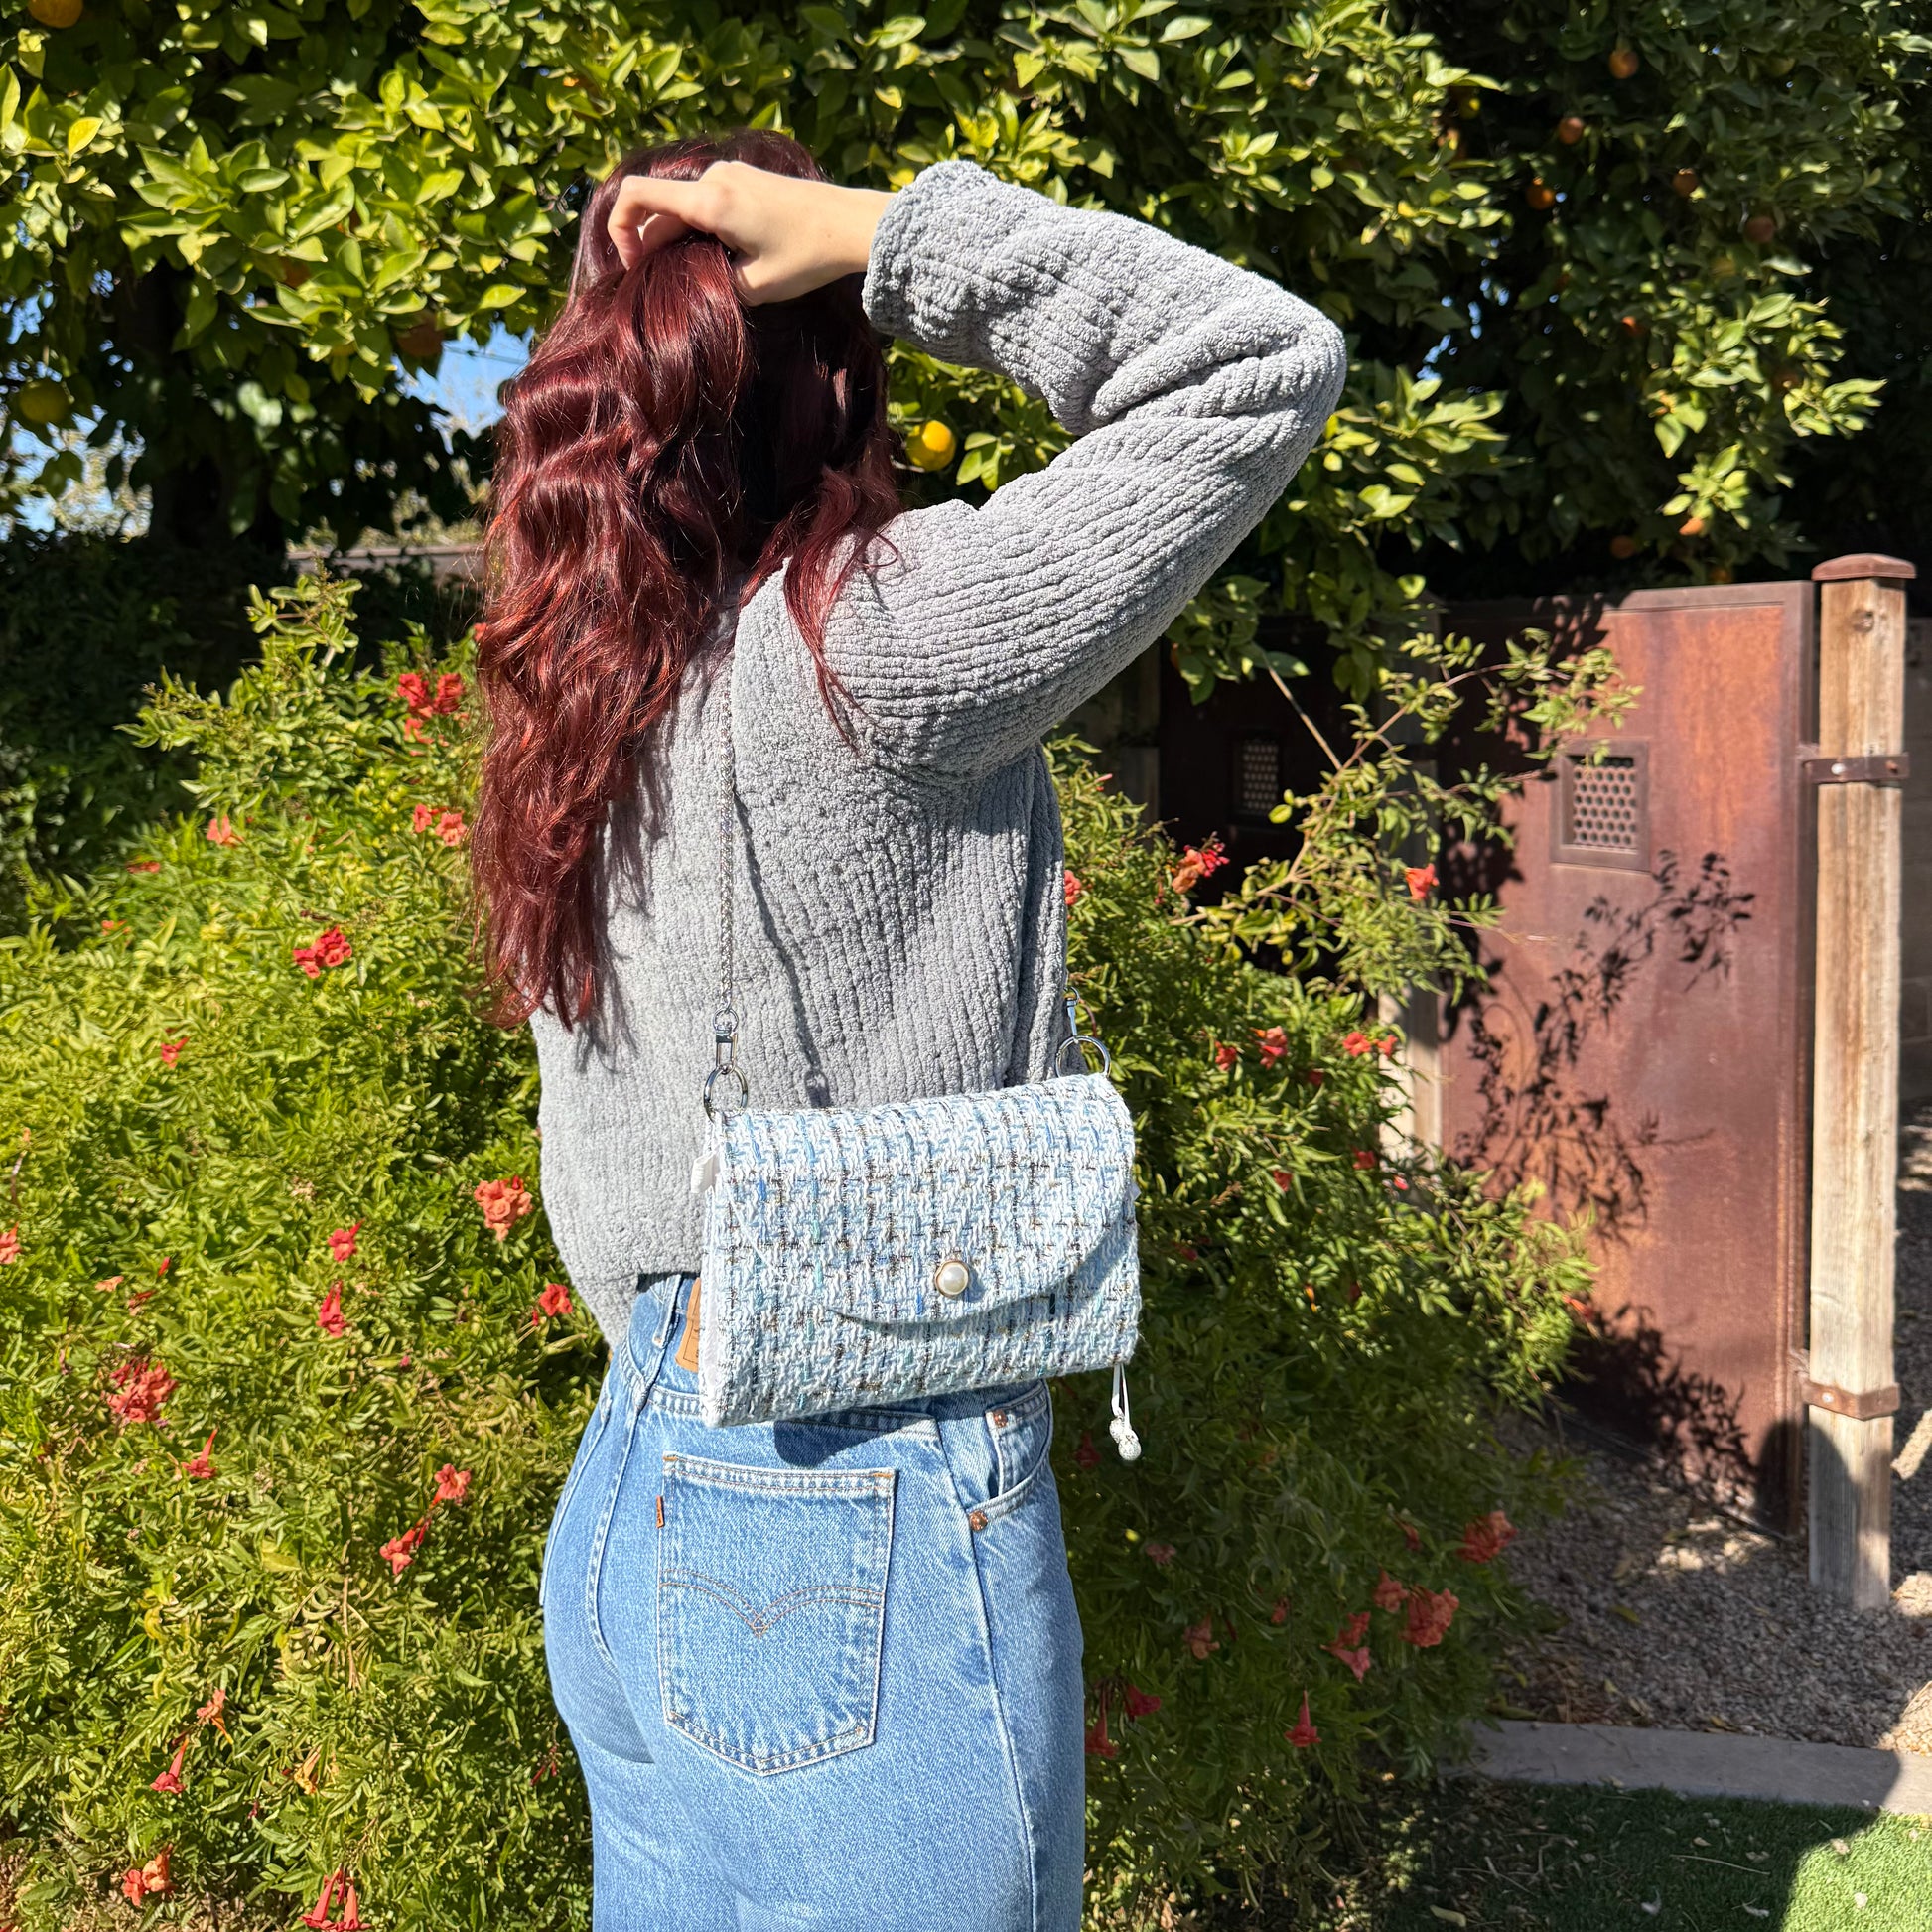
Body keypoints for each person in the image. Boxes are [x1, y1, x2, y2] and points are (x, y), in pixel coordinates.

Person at [471, 129, 1345, 1932]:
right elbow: (1255, 360)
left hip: (636, 1476)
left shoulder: (585, 700)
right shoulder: (876, 636)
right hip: (853, 1488)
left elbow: (598, 1169)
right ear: (830, 363)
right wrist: (888, 232)